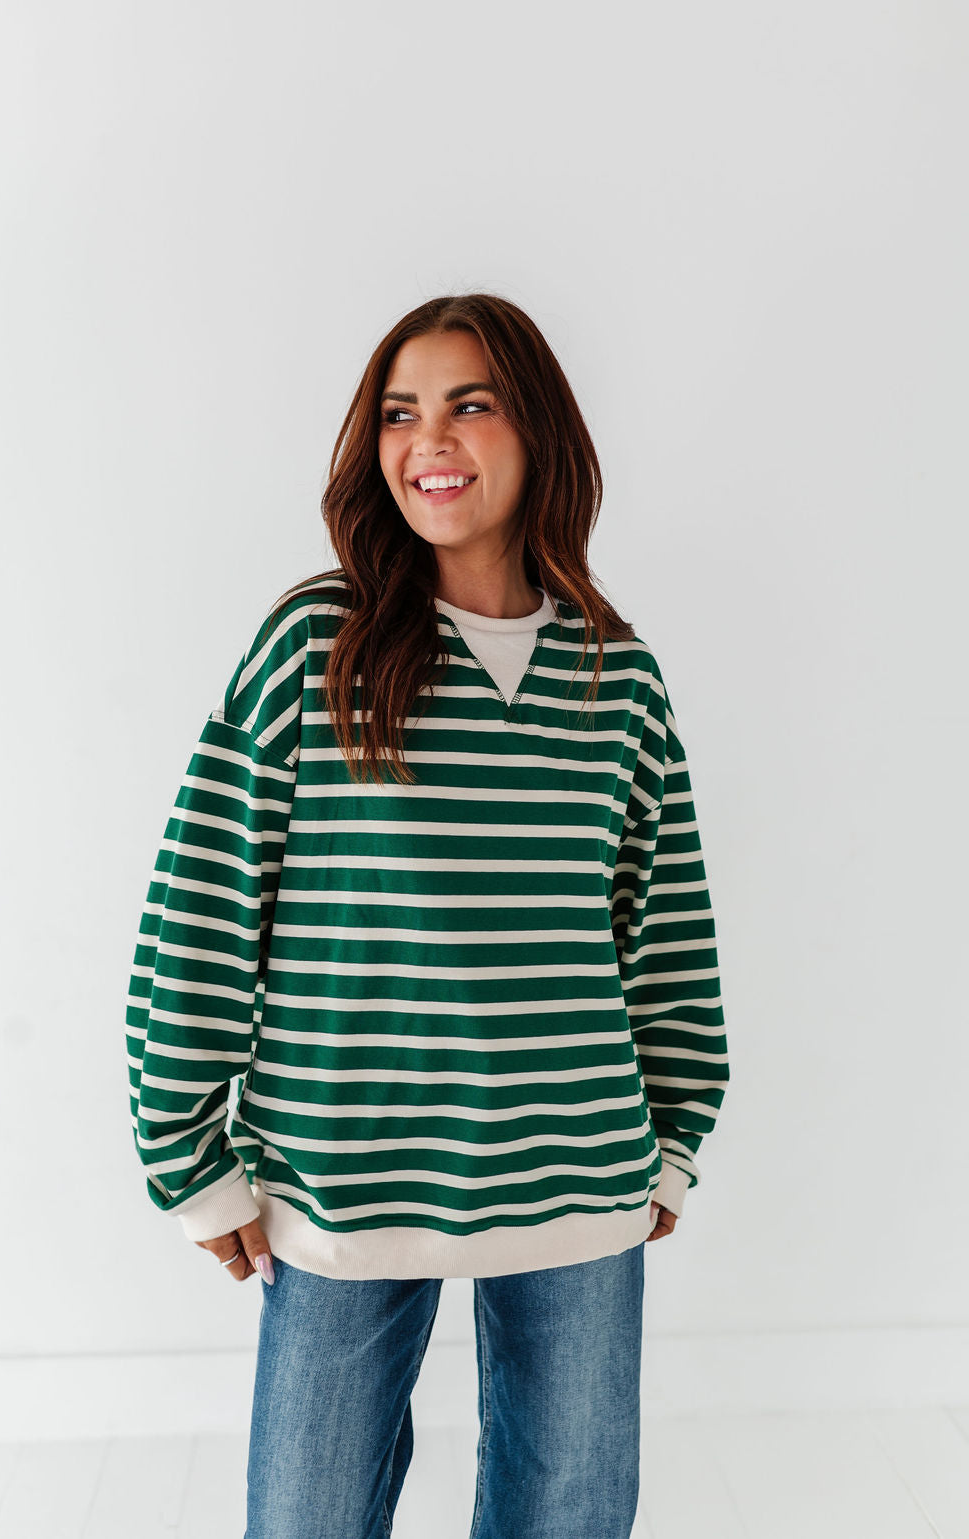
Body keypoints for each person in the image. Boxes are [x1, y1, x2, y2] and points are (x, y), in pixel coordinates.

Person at [125, 293, 730, 1538]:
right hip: (343, 1175)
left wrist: (672, 1134)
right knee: (307, 1515)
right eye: (400, 413)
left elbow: (662, 930)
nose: (429, 440)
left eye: (470, 403)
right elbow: (200, 905)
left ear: (539, 431)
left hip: (576, 1168)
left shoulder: (617, 675)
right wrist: (187, 1156)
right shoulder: (318, 645)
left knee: (569, 1515)